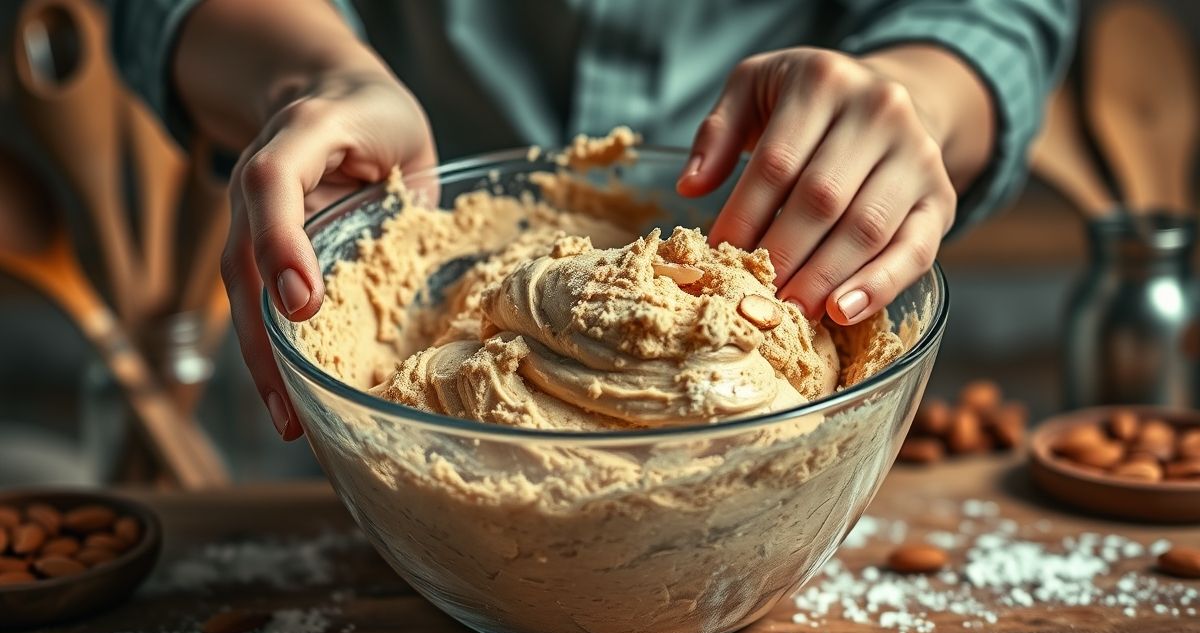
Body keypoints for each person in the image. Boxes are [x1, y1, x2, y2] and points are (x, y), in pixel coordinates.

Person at [105, 0, 1074, 439]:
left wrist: (917, 94)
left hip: (792, 384)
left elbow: (1007, 14)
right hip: (379, 455)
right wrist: (319, 78)